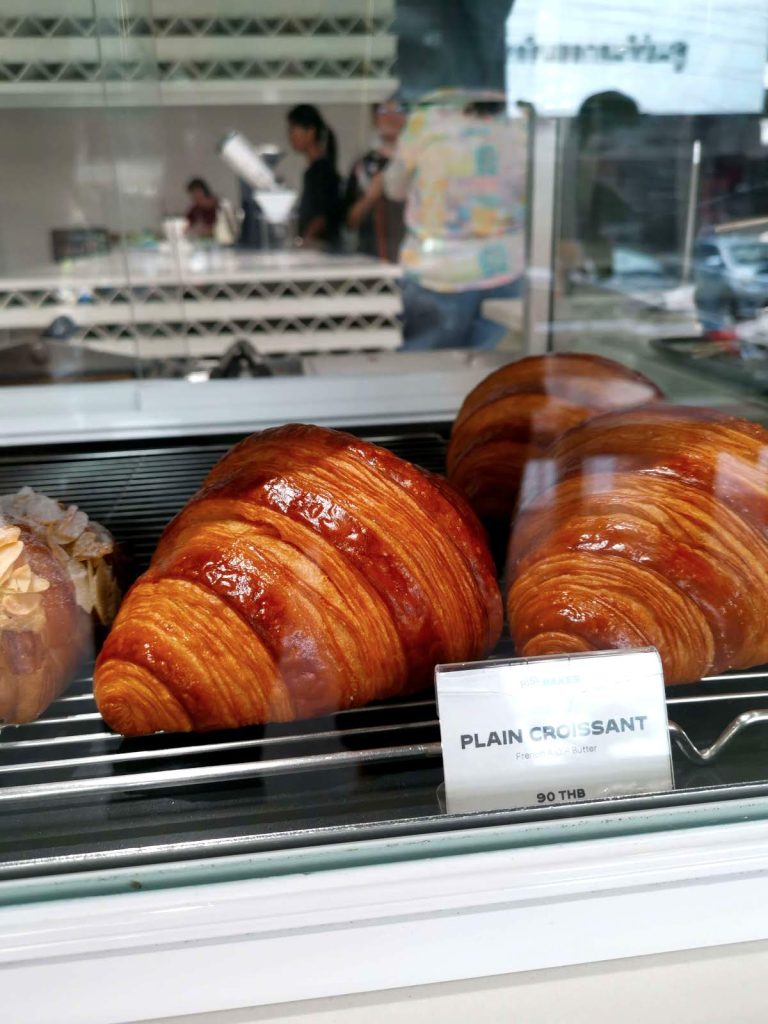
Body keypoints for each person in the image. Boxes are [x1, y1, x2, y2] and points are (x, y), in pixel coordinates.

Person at [384, 93, 527, 350]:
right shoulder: (522, 121)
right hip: (506, 269)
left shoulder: (427, 120)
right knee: (491, 377)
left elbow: (394, 187)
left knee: (427, 375)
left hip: (437, 272)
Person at [344, 99, 407, 262]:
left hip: (413, 261)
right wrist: (370, 197)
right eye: (384, 111)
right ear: (374, 118)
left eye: (398, 110)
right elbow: (349, 221)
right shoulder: (362, 166)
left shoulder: (419, 161)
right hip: (372, 263)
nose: (392, 117)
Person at [286, 104, 342, 250]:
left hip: (319, 248)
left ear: (310, 132)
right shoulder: (316, 170)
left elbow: (323, 215)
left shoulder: (321, 171)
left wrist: (306, 240)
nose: (290, 135)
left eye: (293, 130)